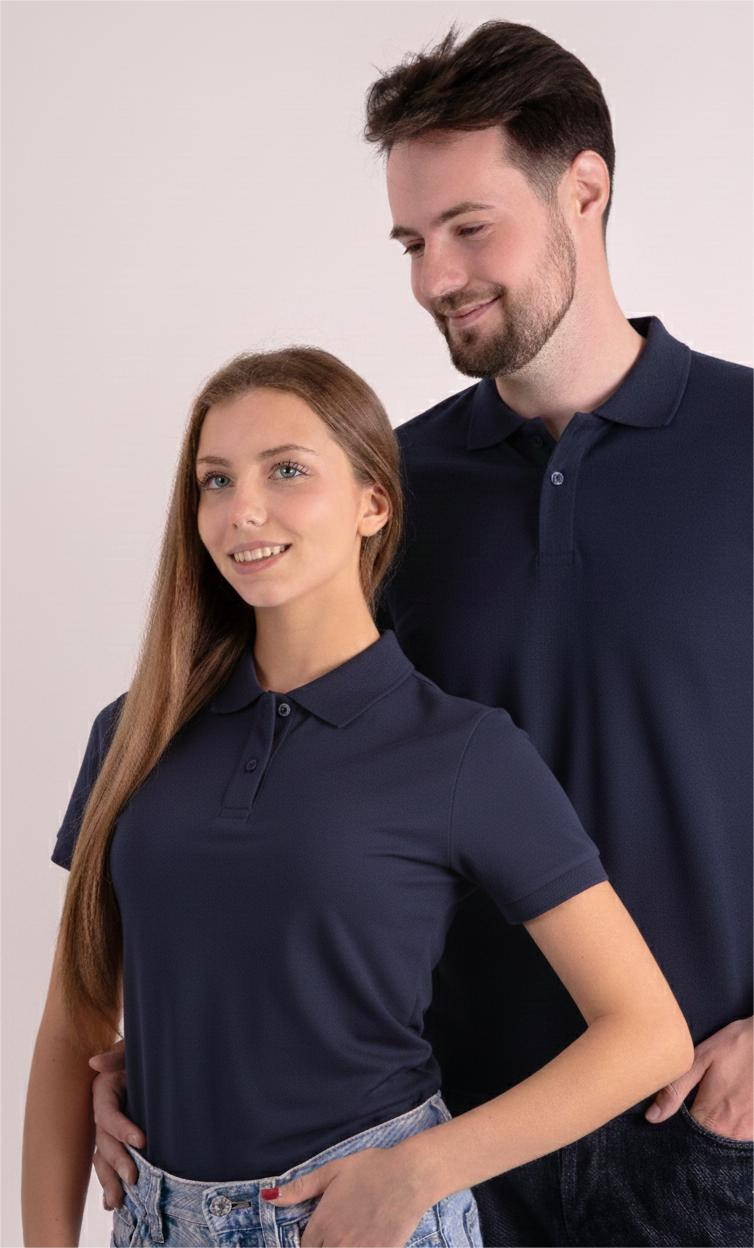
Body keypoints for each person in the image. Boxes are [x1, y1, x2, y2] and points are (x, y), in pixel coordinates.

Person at [71, 16, 754, 1248]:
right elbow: (293, 792)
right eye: (410, 241)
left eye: (468, 229)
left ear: (584, 189)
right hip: (433, 1147)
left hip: (706, 1127)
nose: (435, 277)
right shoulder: (385, 488)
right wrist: (173, 1047)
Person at [23, 344, 692, 1248]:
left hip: (361, 1219)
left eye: (286, 470)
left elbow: (647, 1033)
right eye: (216, 480)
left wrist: (423, 1169)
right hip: (152, 1219)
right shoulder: (133, 731)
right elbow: (72, 1023)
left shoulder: (462, 752)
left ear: (373, 503)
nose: (242, 509)